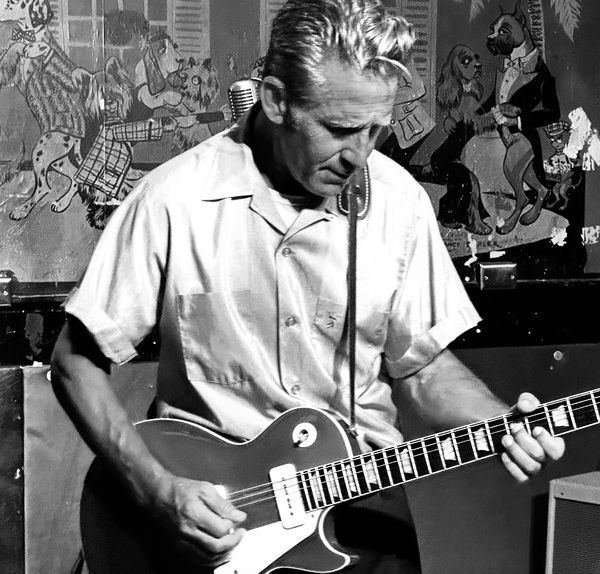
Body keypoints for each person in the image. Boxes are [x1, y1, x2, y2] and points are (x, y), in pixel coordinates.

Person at [50, 1, 565, 572]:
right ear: (276, 101)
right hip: (217, 525)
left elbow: (422, 370)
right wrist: (155, 488)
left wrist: (500, 423)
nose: (359, 156)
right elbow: (75, 362)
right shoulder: (173, 199)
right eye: (340, 129)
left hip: (364, 513)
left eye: (376, 129)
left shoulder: (400, 201)